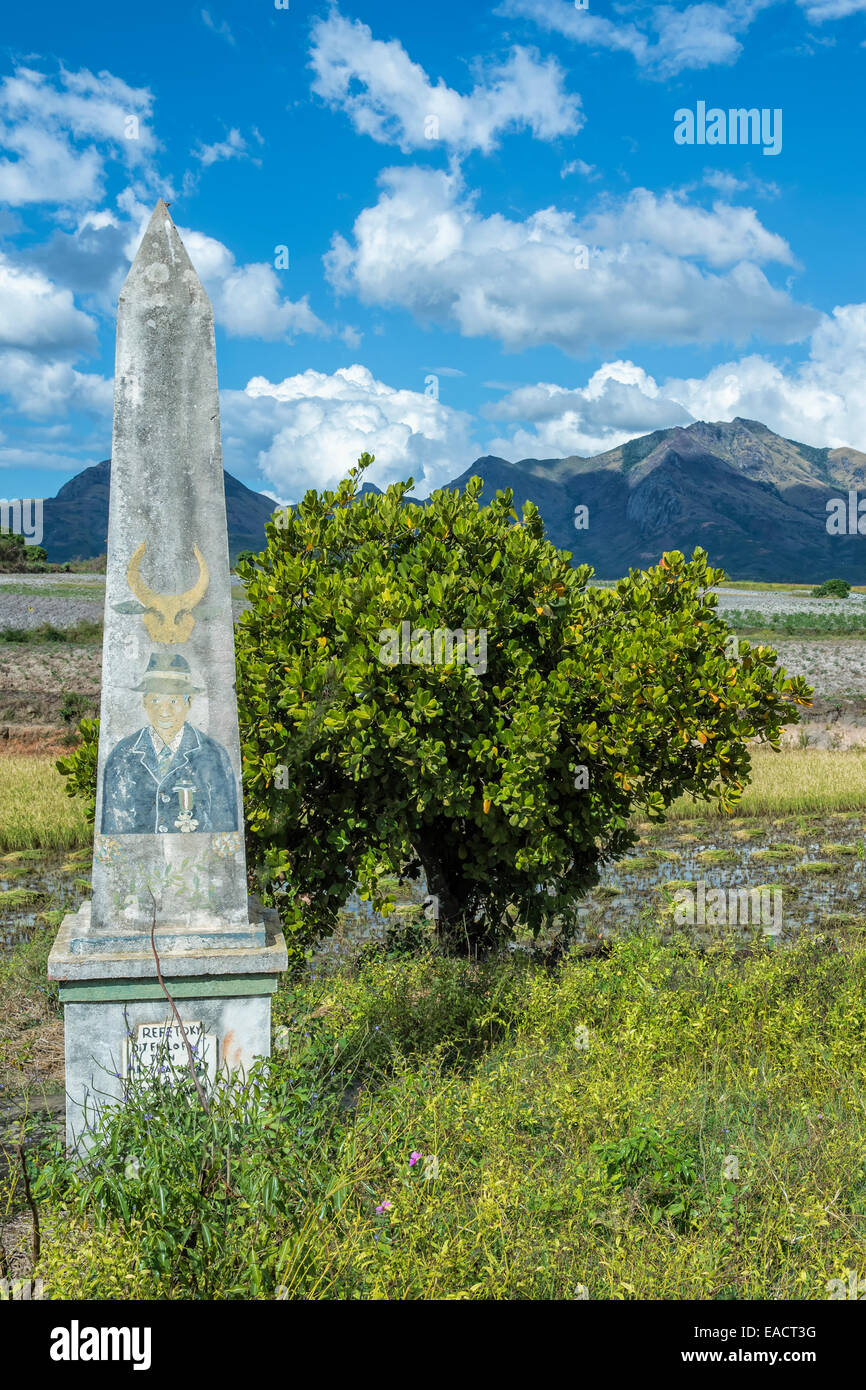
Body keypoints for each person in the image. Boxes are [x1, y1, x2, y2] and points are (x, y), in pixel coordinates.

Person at [100, 653, 238, 834]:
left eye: (174, 700)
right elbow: (113, 832)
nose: (164, 711)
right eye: (155, 700)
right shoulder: (123, 755)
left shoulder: (213, 755)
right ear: (144, 702)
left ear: (189, 702)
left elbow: (225, 831)